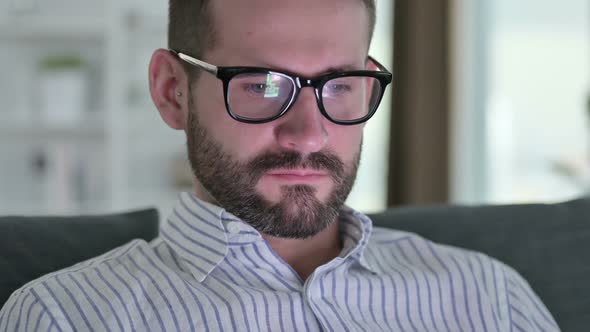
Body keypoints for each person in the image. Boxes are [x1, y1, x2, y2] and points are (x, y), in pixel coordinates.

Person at [0, 0, 559, 331]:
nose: (308, 134)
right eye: (262, 85)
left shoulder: (492, 299)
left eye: (339, 85)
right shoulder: (65, 318)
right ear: (173, 92)